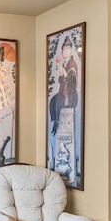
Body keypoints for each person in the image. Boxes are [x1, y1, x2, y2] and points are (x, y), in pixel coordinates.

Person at [48, 35, 79, 171]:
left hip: (69, 93)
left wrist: (65, 73)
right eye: (64, 49)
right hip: (62, 91)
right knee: (52, 102)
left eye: (68, 49)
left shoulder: (72, 64)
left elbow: (72, 79)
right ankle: (55, 120)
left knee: (59, 102)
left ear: (71, 50)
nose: (65, 51)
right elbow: (61, 81)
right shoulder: (64, 64)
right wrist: (61, 72)